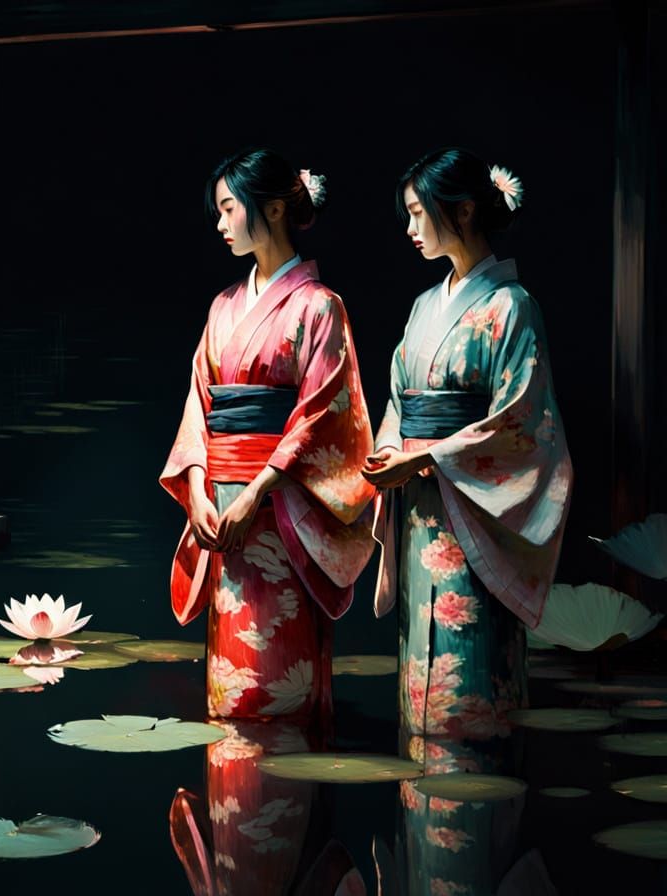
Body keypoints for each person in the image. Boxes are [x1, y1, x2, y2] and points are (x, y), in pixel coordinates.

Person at [362, 147, 572, 743]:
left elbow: (522, 422)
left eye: (418, 212)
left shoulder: (513, 307)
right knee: (421, 673)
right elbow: (400, 399)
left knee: (470, 670)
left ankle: (481, 782)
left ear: (463, 210)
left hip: (475, 513)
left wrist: (428, 455)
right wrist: (390, 450)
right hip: (418, 507)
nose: (410, 228)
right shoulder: (423, 307)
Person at [160, 148, 375, 720]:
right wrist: (199, 489)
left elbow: (320, 414)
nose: (220, 222)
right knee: (230, 680)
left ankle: (289, 769)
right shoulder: (222, 307)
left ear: (275, 209)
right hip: (220, 502)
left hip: (281, 507)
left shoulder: (320, 307)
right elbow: (198, 405)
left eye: (230, 208)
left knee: (281, 671)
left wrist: (257, 491)